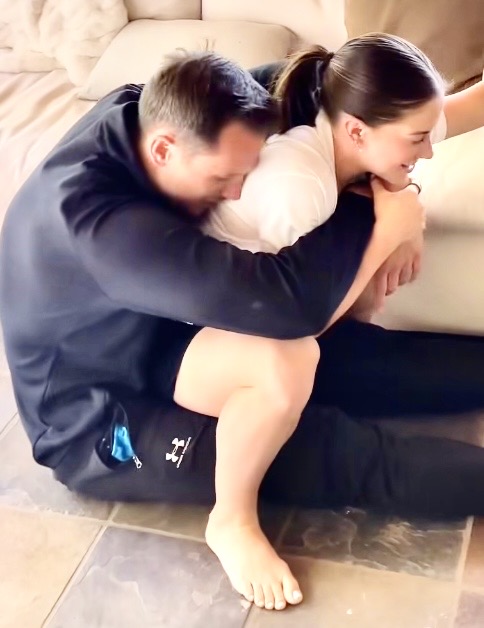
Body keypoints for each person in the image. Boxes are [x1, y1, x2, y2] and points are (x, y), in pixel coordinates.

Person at [1, 49, 484, 614]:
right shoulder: (101, 226)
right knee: (330, 440)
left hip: (177, 331)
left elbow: (339, 92)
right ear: (164, 150)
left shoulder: (180, 109)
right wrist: (388, 223)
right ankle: (231, 521)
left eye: (246, 170)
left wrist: (396, 183)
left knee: (378, 364)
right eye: (224, 178)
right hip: (100, 407)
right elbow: (291, 308)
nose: (238, 191)